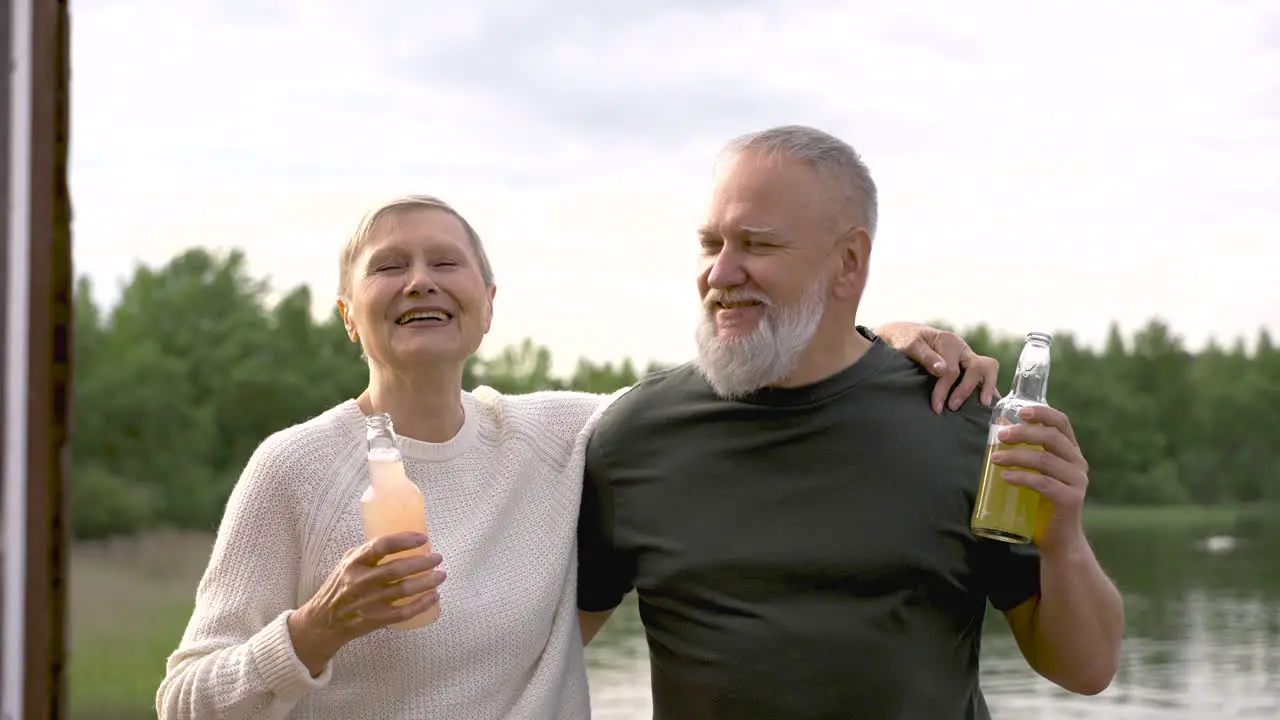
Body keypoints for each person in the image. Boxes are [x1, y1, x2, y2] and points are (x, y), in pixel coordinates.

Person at [155, 193, 1001, 720]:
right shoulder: (294, 467)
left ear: (487, 306)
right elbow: (183, 700)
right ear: (349, 315)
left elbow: (723, 391)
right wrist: (314, 629)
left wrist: (879, 337)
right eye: (389, 268)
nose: (420, 280)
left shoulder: (560, 434)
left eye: (445, 263)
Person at [576, 125, 1126, 720]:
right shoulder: (632, 436)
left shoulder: (961, 419)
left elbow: (1085, 669)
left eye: (757, 246)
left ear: (849, 262)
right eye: (712, 244)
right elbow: (535, 653)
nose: (721, 273)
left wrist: (1063, 537)